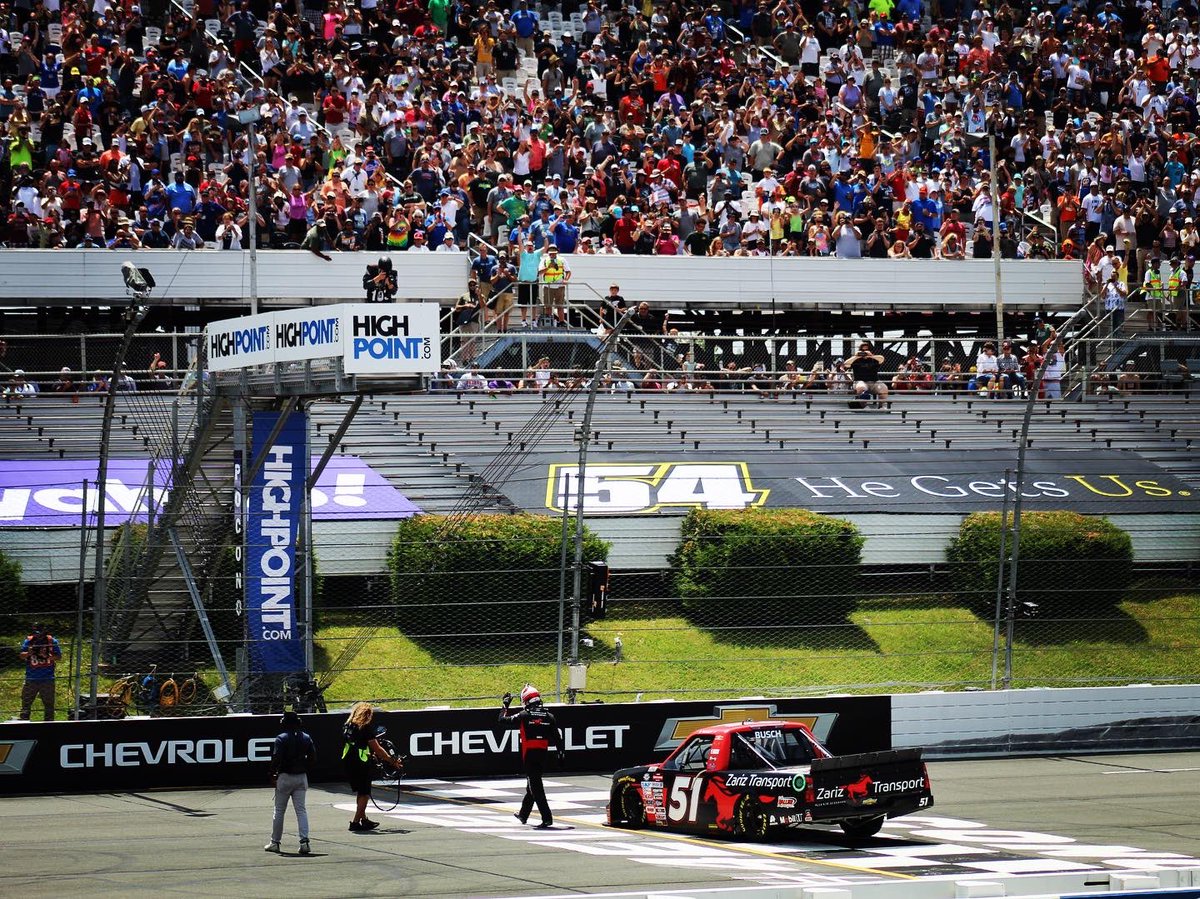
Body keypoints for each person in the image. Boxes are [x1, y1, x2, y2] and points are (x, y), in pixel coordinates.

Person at [498, 685, 563, 829]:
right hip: (542, 755)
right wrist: (561, 753)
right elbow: (558, 738)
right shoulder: (549, 716)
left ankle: (547, 818)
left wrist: (505, 705)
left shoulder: (524, 715)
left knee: (536, 787)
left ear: (526, 701)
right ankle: (523, 814)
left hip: (529, 755)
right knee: (532, 785)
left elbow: (501, 719)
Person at [342, 701, 402, 832]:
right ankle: (355, 822)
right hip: (361, 762)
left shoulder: (348, 725)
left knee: (360, 791)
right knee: (364, 793)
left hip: (348, 760)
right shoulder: (364, 727)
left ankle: (364, 820)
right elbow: (378, 749)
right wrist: (392, 761)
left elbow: (358, 743)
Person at [266, 711, 316, 855]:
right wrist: (304, 768)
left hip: (285, 776)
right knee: (301, 810)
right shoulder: (306, 737)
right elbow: (313, 758)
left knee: (279, 810)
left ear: (284, 723)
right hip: (301, 777)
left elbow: (276, 757)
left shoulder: (281, 738)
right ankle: (304, 841)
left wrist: (271, 773)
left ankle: (275, 842)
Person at [19, 622, 62, 721]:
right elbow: (21, 655)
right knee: (26, 703)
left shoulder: (52, 641)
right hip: (31, 678)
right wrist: (29, 652)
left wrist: (47, 656)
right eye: (36, 632)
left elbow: (59, 657)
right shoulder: (29, 641)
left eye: (40, 632)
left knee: (49, 705)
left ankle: (49, 723)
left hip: (47, 678)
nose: (38, 635)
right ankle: (24, 722)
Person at [849, 341, 888, 407]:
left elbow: (882, 359)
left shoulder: (873, 359)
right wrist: (856, 356)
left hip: (874, 382)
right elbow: (846, 364)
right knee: (862, 388)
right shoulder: (856, 360)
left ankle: (881, 407)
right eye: (862, 350)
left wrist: (871, 355)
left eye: (866, 350)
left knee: (884, 388)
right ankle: (863, 406)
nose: (864, 352)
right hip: (860, 381)